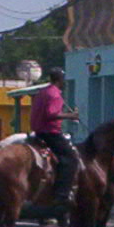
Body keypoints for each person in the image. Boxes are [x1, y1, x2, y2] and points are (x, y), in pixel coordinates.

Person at [31, 66, 80, 208]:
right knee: (71, 158)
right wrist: (71, 116)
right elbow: (51, 114)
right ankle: (62, 194)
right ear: (59, 79)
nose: (64, 82)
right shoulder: (55, 94)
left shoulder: (42, 92)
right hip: (49, 132)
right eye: (63, 79)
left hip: (38, 131)